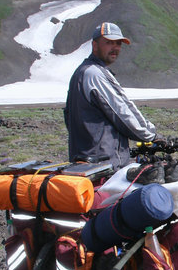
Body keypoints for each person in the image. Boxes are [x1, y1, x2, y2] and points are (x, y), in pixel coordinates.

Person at [64, 22, 159, 169]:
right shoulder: (93, 74)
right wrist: (150, 136)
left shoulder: (83, 72)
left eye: (118, 44)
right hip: (102, 163)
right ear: (95, 45)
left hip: (86, 161)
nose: (115, 48)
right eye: (109, 43)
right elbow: (121, 111)